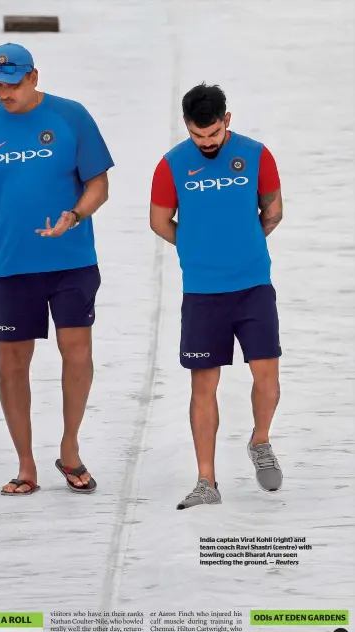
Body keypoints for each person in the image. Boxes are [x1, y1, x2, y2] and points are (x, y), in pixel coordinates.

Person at [0, 43, 114, 496]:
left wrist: (74, 216)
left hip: (72, 262)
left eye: (12, 83)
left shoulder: (70, 117)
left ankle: (71, 448)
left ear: (34, 77)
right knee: (12, 364)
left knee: (76, 352)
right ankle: (26, 465)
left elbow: (99, 184)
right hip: (12, 267)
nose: (4, 93)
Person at [150, 83, 284, 510]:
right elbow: (159, 221)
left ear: (227, 121)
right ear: (187, 126)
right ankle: (206, 481)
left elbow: (274, 210)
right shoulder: (171, 165)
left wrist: (245, 245)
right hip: (203, 293)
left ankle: (259, 441)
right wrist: (196, 250)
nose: (206, 143)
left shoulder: (257, 155)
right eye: (197, 136)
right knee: (203, 384)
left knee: (267, 374)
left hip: (253, 286)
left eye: (212, 134)